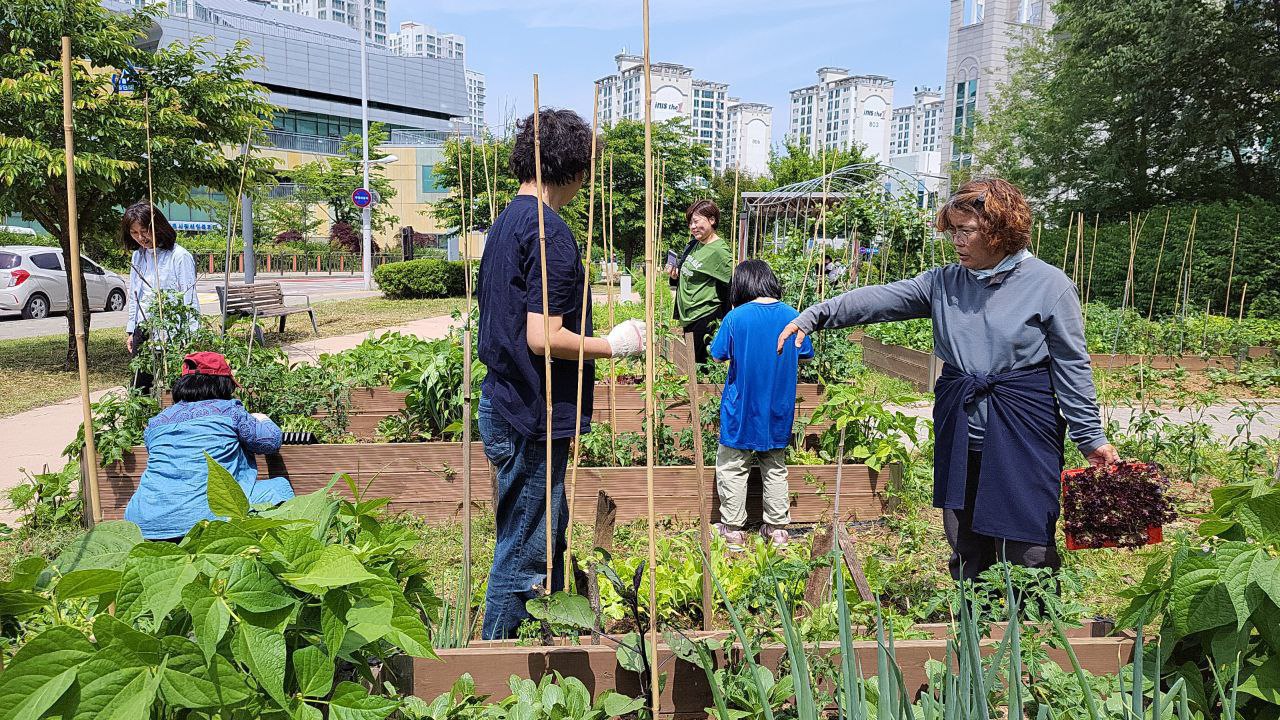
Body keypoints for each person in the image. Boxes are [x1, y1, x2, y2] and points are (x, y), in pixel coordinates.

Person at [778, 178, 1119, 581]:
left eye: (966, 230)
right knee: (964, 535)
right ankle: (974, 624)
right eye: (951, 230)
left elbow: (1071, 365)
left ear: (999, 230)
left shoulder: (1048, 286)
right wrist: (813, 315)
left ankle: (1031, 629)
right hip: (962, 423)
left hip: (1023, 426)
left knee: (1026, 536)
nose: (955, 240)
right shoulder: (944, 283)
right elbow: (876, 299)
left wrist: (1090, 436)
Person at [476, 108, 647, 639]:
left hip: (504, 401)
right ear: (573, 169)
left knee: (538, 531)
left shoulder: (505, 222)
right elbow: (543, 336)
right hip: (531, 412)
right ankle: (492, 664)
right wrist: (614, 345)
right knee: (525, 552)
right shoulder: (551, 233)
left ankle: (519, 644)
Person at [124, 352, 295, 541]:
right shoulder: (230, 411)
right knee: (278, 487)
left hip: (145, 520)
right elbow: (270, 441)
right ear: (223, 384)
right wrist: (262, 418)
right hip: (206, 518)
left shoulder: (156, 423)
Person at [709, 260, 813, 550]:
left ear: (742, 285)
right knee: (775, 466)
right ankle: (778, 530)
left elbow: (718, 355)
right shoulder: (794, 316)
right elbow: (805, 354)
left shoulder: (736, 318)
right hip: (778, 408)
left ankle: (732, 531)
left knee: (732, 465)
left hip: (741, 408)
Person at [121, 203, 200, 393]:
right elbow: (135, 296)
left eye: (145, 231)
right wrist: (132, 330)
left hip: (171, 330)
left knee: (173, 384)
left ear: (158, 227)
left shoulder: (179, 256)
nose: (141, 238)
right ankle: (143, 421)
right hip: (144, 329)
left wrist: (191, 338)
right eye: (134, 233)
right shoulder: (137, 257)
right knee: (140, 386)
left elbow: (189, 300)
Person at [668, 200, 733, 363]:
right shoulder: (694, 244)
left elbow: (733, 284)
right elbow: (690, 274)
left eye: (696, 221)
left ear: (712, 220)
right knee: (691, 364)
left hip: (705, 317)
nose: (692, 226)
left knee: (700, 367)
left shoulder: (720, 251)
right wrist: (674, 276)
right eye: (690, 223)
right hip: (689, 316)